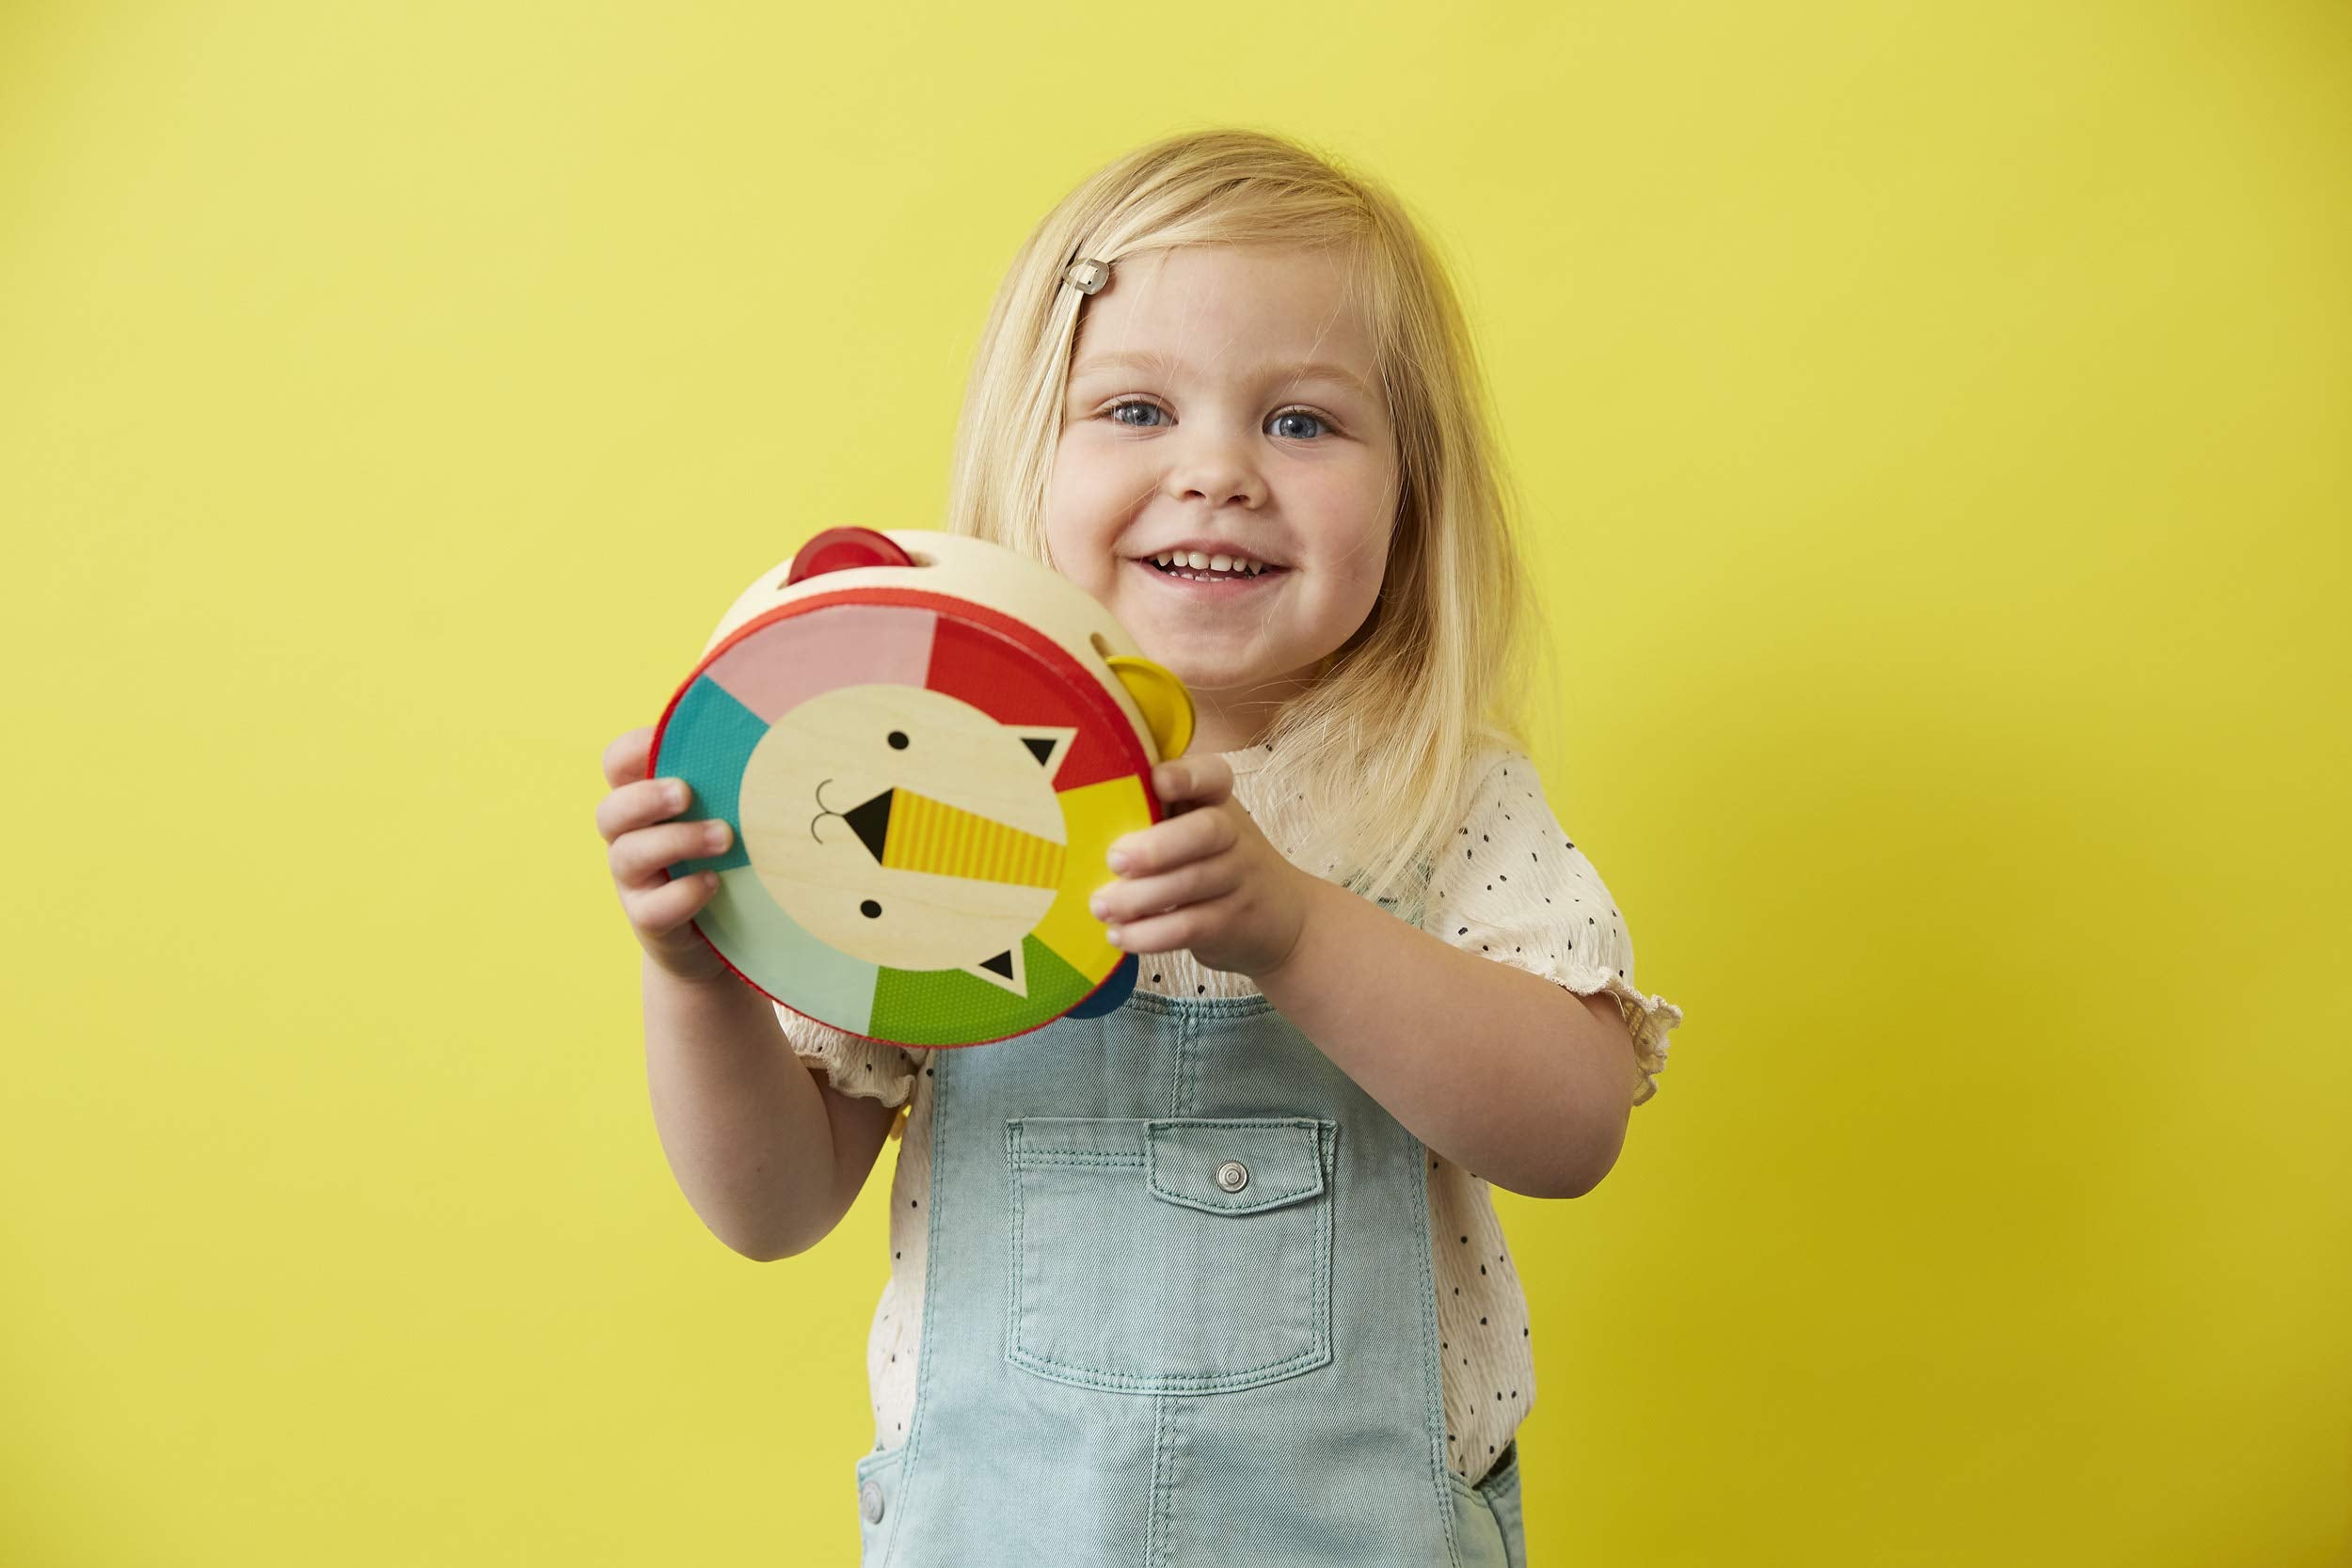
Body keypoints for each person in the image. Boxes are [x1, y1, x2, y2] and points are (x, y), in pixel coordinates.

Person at [594, 127, 1684, 1568]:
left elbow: (1574, 1129)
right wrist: (698, 975)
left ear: (1412, 492)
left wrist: (1294, 929)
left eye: (1301, 422)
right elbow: (774, 1206)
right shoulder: (921, 790)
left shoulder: (1438, 793)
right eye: (1133, 410)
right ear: (1029, 454)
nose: (1218, 473)